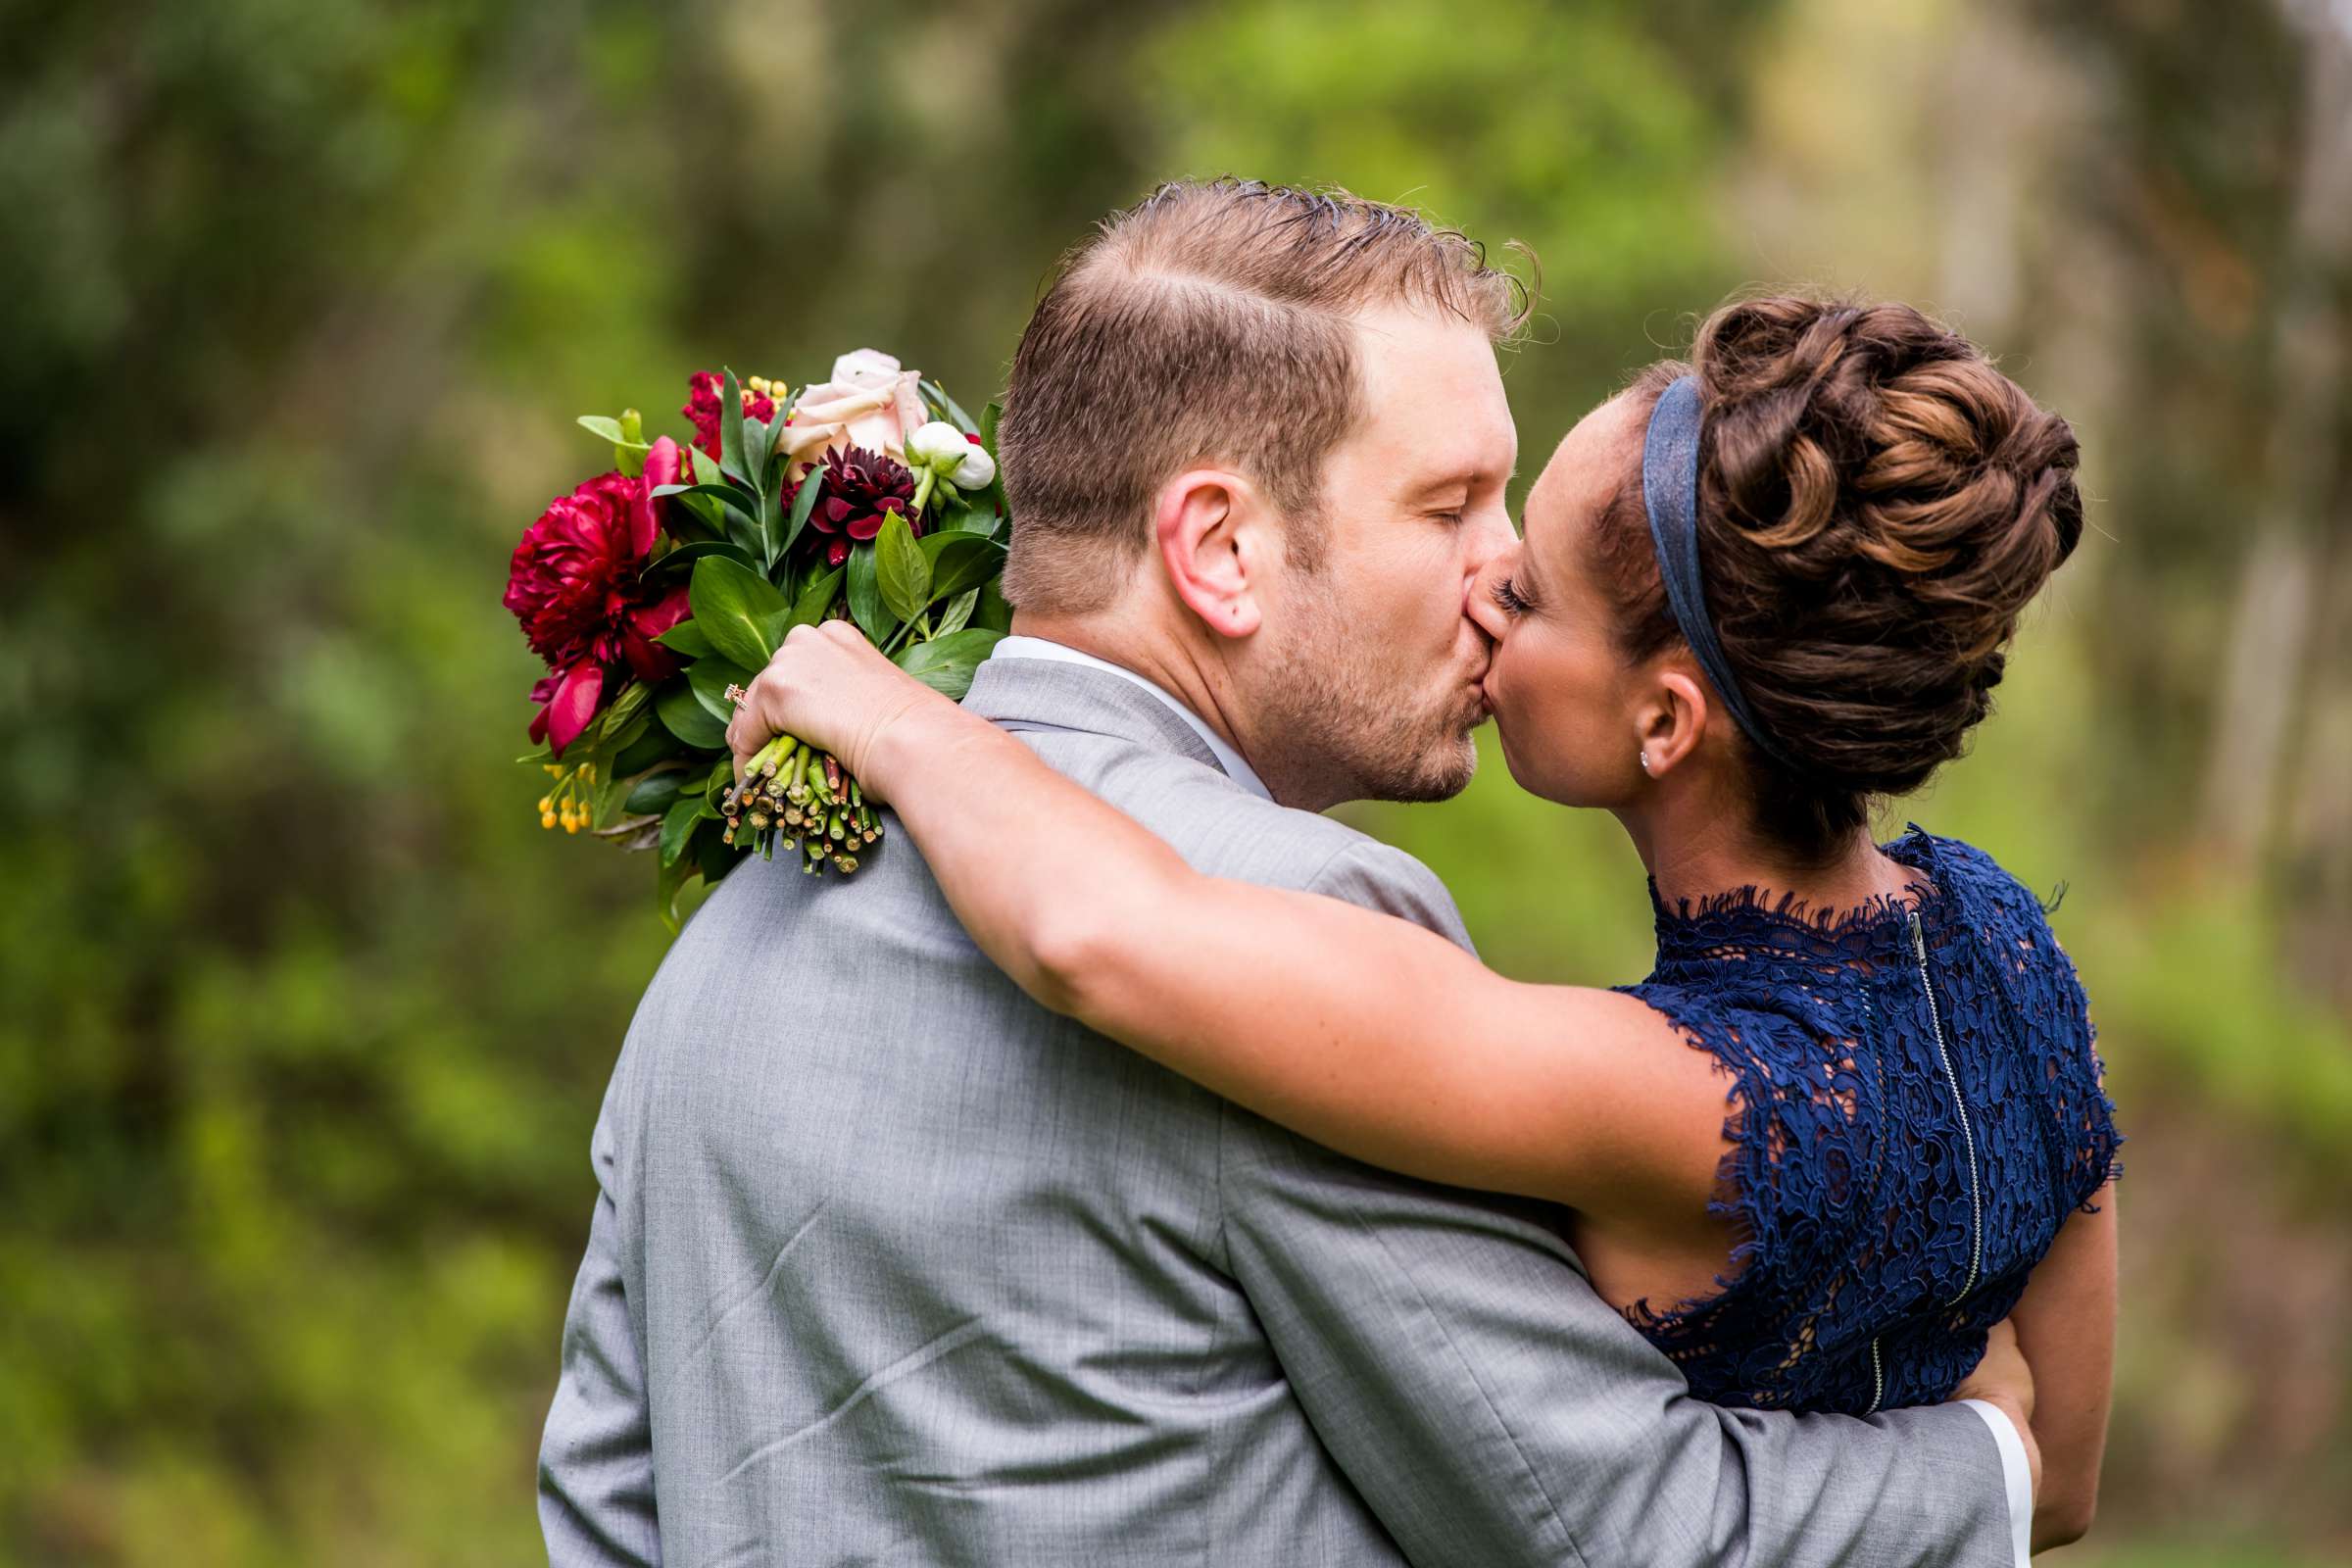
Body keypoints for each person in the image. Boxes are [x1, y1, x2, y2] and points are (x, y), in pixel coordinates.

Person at [544, 178, 2045, 1566]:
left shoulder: (735, 926)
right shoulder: (1295, 923)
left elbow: (608, 1510)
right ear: (1221, 550)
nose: (1505, 574)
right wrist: (1997, 1464)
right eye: (1449, 504)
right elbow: (1604, 1525)